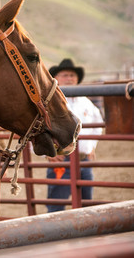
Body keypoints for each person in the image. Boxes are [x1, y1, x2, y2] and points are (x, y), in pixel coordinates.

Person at [46, 58, 103, 213]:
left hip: (84, 161)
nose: (70, 78)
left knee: (86, 205)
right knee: (56, 205)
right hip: (62, 161)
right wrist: (48, 151)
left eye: (72, 75)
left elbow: (98, 125)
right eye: (65, 75)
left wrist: (91, 146)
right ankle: (54, 236)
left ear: (77, 79)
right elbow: (37, 126)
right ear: (56, 78)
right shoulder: (50, 102)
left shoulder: (86, 102)